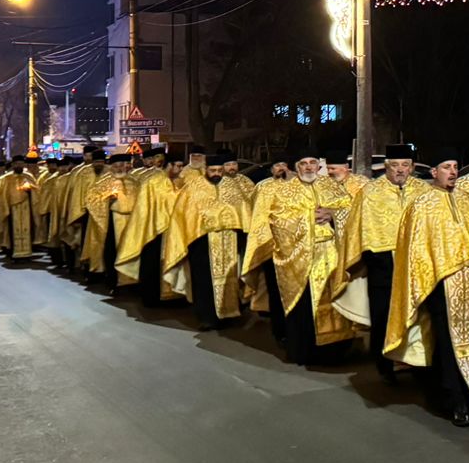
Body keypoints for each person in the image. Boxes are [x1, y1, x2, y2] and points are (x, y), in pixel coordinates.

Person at [385, 150, 469, 426]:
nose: (452, 172)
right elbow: (414, 250)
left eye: (454, 167)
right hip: (440, 286)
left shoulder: (468, 201)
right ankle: (455, 400)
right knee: (448, 344)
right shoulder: (422, 205)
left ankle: (467, 391)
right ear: (433, 173)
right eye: (445, 167)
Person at [243, 153, 360, 363]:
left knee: (334, 301)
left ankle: (336, 350)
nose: (308, 167)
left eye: (313, 163)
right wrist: (308, 219)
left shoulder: (331, 185)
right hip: (301, 258)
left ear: (319, 165)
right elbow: (277, 221)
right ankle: (307, 351)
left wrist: (333, 215)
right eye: (303, 163)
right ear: (296, 166)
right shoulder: (285, 190)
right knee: (304, 306)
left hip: (332, 255)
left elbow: (350, 209)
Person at [341, 145, 415, 378]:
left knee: (414, 316)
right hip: (382, 265)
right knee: (382, 314)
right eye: (395, 165)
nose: (400, 170)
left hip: (415, 265)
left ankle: (412, 359)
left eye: (405, 165)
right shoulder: (370, 192)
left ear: (412, 167)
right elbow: (357, 228)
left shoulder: (423, 191)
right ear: (386, 167)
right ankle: (385, 364)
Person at [162, 151, 245, 329]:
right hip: (201, 242)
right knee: (203, 281)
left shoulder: (232, 187)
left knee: (230, 278)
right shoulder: (193, 188)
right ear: (206, 169)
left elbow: (243, 212)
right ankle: (206, 317)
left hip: (229, 240)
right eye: (212, 170)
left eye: (219, 170)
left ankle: (229, 314)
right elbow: (182, 215)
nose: (216, 174)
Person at [116, 148, 177, 301]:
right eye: (177, 166)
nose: (180, 170)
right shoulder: (153, 181)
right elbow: (145, 205)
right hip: (153, 228)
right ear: (168, 166)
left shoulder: (177, 182)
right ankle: (151, 296)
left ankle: (170, 295)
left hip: (171, 229)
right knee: (152, 263)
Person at [81, 153, 134, 286]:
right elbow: (91, 199)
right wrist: (107, 201)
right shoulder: (104, 182)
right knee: (110, 252)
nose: (119, 169)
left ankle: (129, 280)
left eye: (122, 165)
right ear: (111, 167)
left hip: (130, 223)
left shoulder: (134, 181)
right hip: (109, 223)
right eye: (116, 166)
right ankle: (111, 280)